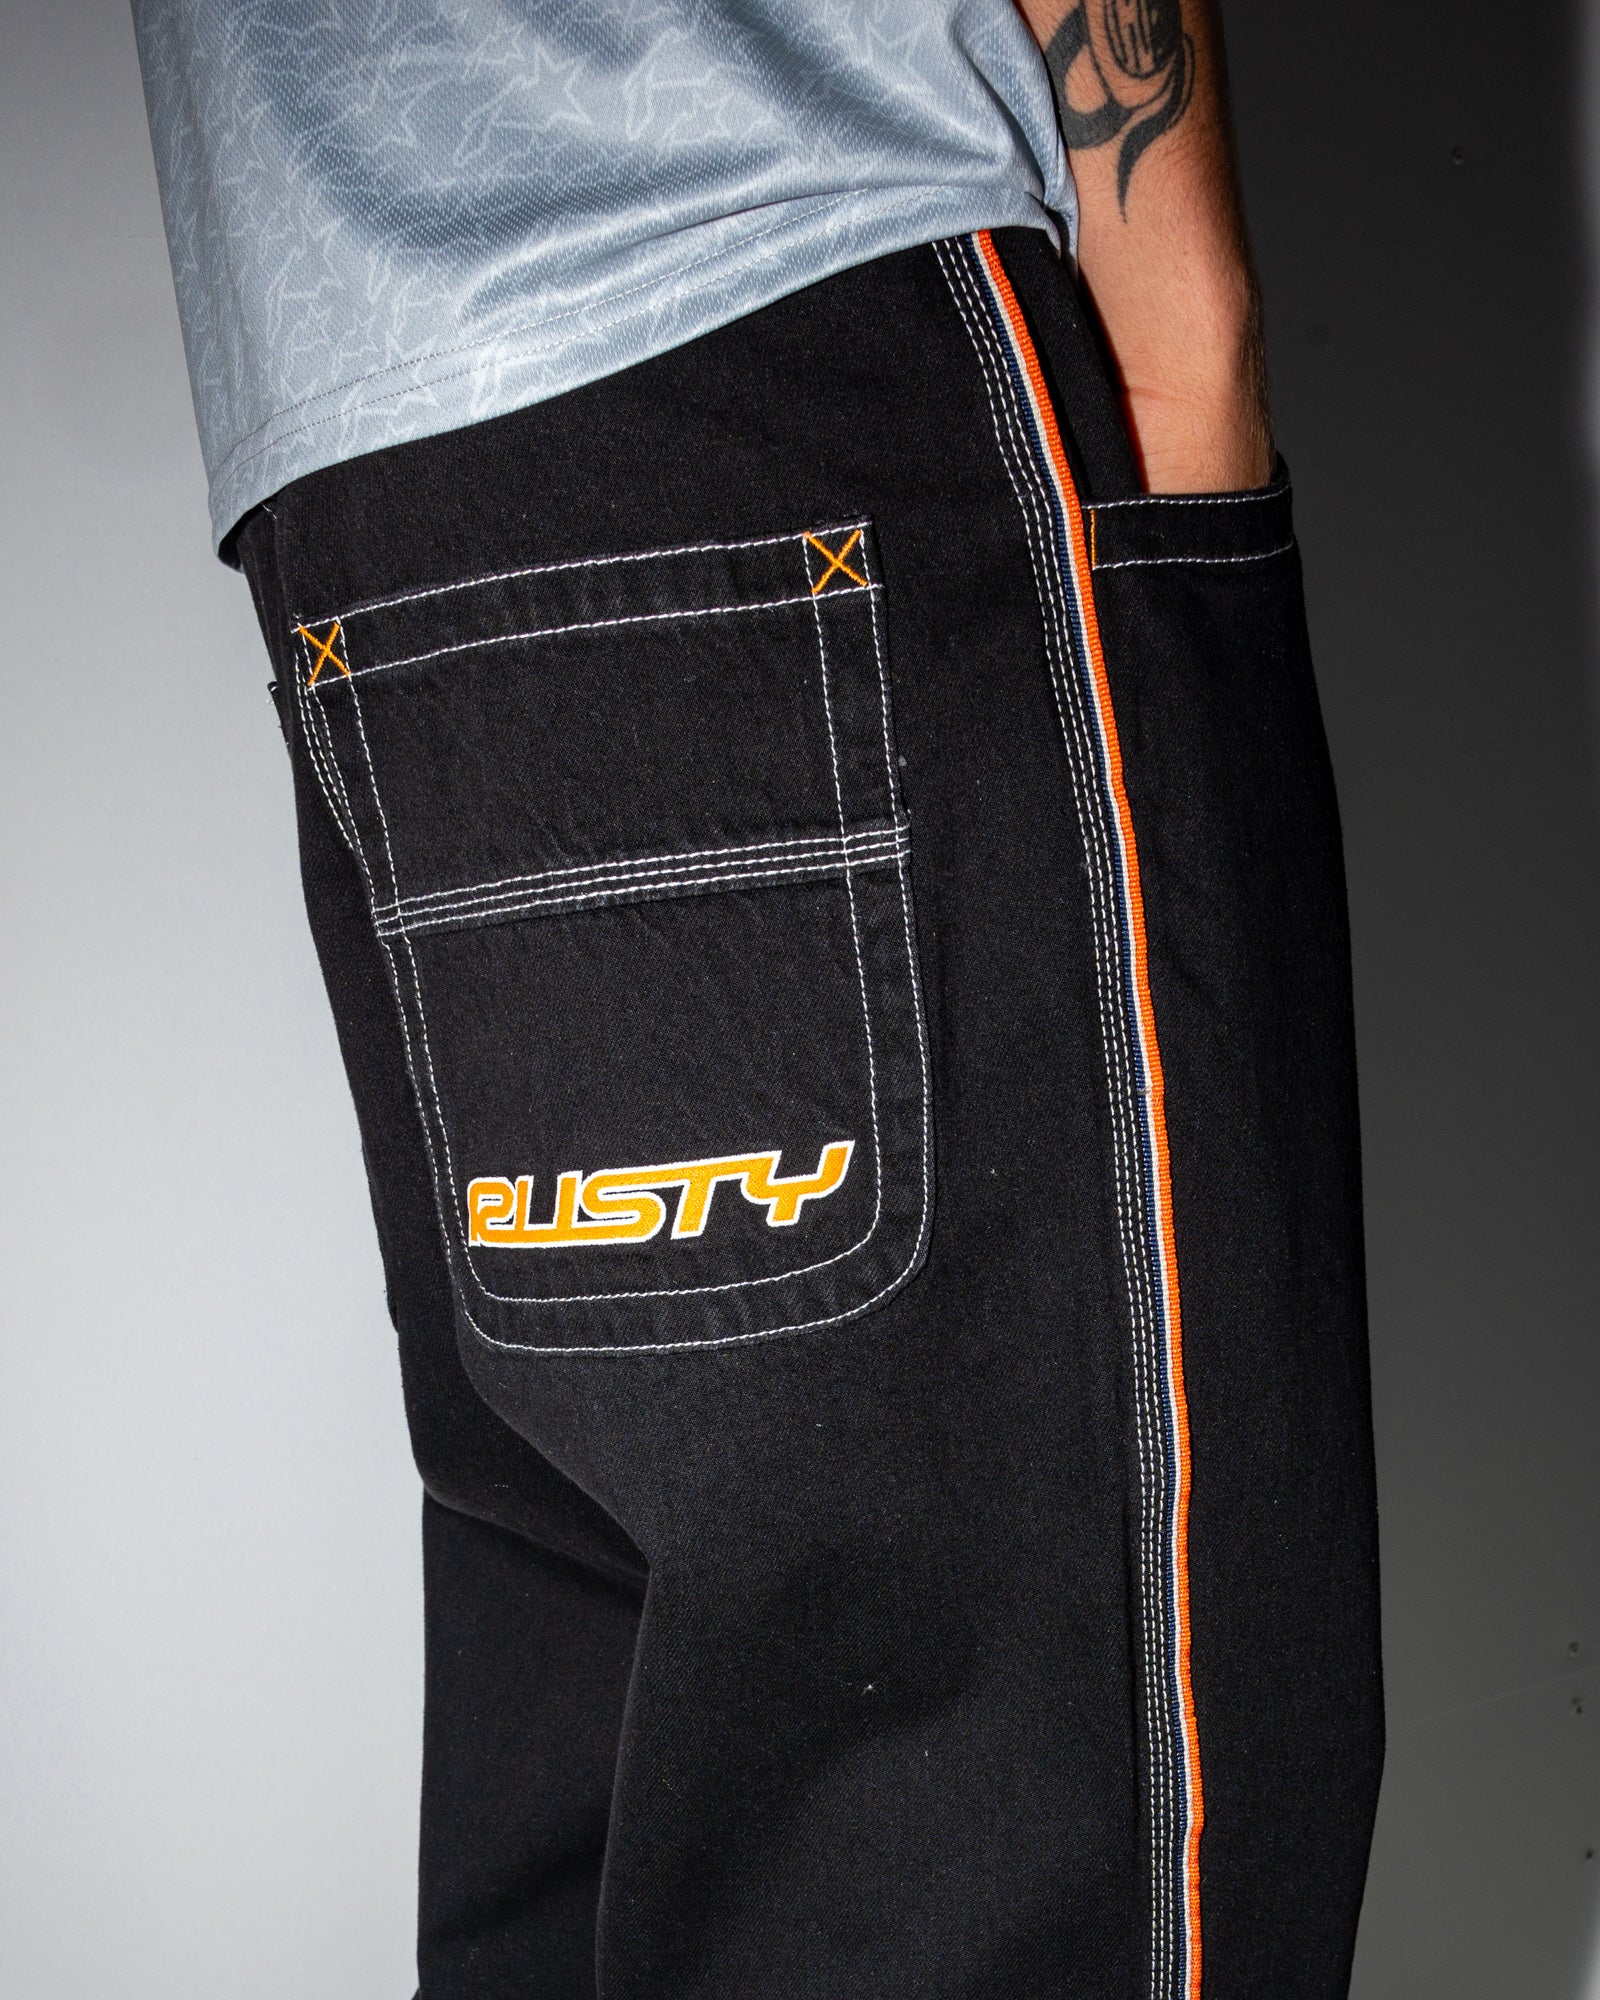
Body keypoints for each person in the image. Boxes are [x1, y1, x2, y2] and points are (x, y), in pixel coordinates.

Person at [131, 3, 1382, 1995]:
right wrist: (1180, 313)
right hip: (817, 320)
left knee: (610, 1747)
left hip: (366, 446)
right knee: (1051, 1806)